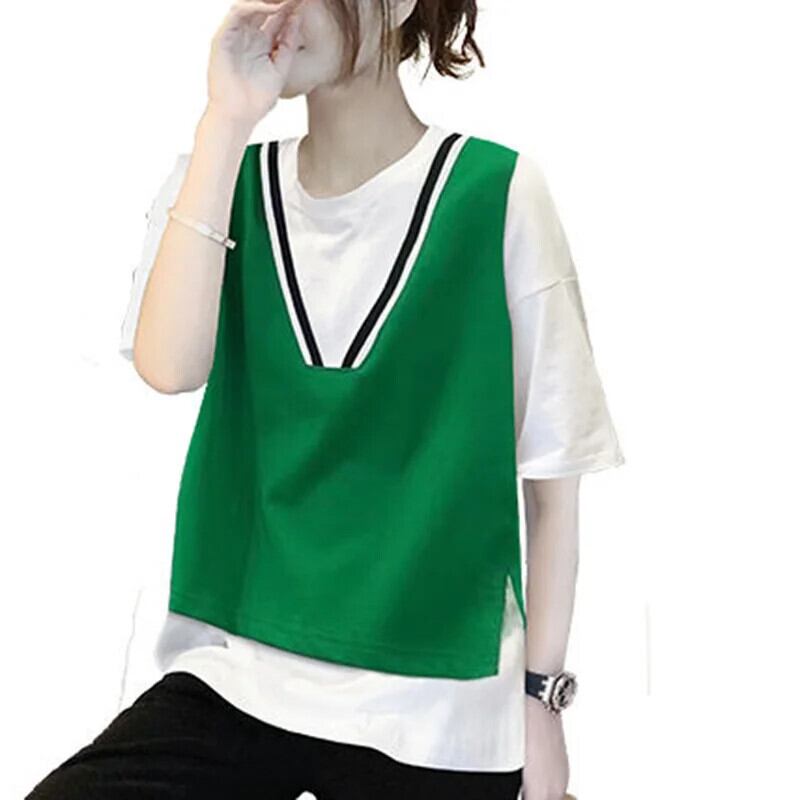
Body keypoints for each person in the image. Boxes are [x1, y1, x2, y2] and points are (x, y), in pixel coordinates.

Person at [26, 1, 624, 798]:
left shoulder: (497, 193)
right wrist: (225, 119)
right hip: (240, 673)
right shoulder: (225, 182)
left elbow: (554, 483)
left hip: (438, 702)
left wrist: (542, 709)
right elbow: (169, 366)